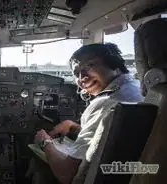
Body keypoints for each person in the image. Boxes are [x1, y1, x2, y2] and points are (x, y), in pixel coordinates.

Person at [32, 43, 144, 184]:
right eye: (76, 73)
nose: (82, 77)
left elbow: (67, 175)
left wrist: (45, 142)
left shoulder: (106, 102)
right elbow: (108, 138)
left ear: (114, 63)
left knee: (38, 162)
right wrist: (77, 128)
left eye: (89, 66)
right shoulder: (134, 89)